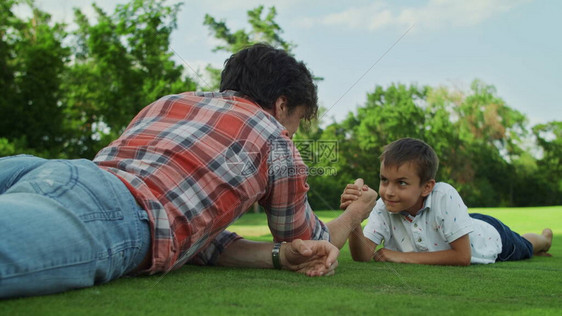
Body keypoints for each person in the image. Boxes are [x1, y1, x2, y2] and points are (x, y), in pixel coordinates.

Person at [0, 43, 376, 298]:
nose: (292, 133)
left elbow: (191, 235)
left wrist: (276, 256)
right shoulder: (276, 138)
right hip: (112, 212)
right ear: (281, 105)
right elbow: (312, 241)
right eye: (296, 121)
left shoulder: (170, 102)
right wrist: (358, 210)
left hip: (50, 170)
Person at [340, 137, 553, 265]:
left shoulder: (444, 194)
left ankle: (544, 239)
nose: (389, 192)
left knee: (526, 245)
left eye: (402, 183)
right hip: (456, 225)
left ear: (426, 187)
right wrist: (355, 217)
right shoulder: (384, 206)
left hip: (489, 236)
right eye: (384, 180)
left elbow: (462, 257)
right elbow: (363, 256)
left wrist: (403, 256)